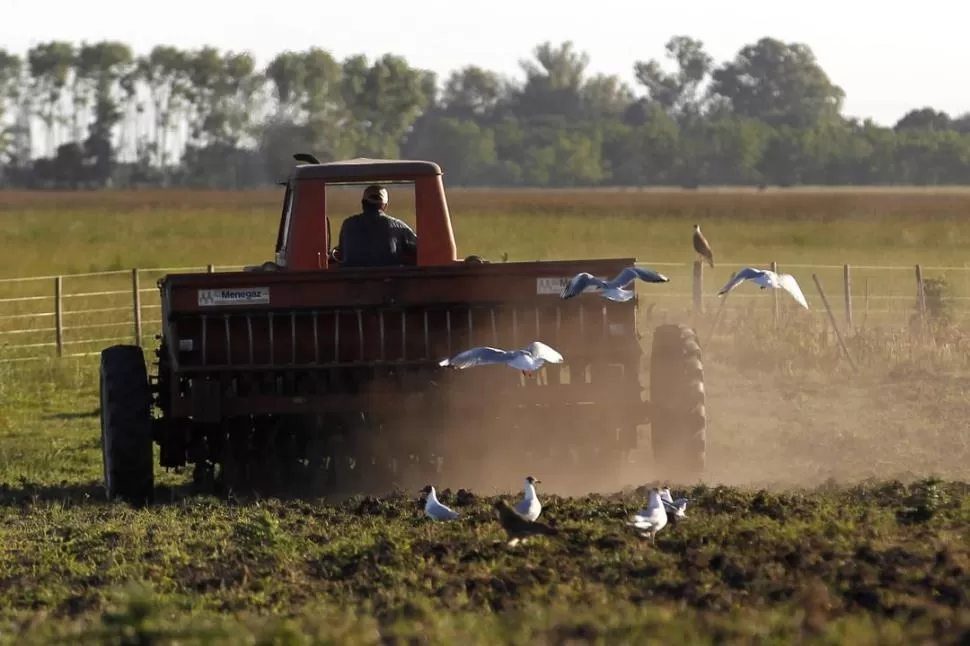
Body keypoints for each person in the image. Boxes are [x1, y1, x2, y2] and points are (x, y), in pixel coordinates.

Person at [333, 184, 417, 268]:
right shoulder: (398, 226)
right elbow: (420, 249)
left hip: (352, 279)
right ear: (385, 206)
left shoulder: (348, 224)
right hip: (388, 279)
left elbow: (342, 252)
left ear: (363, 203)